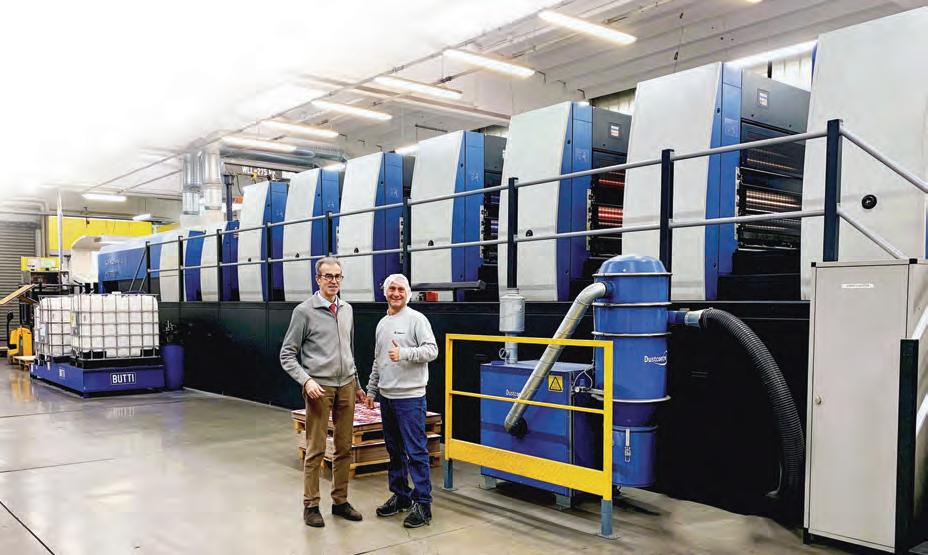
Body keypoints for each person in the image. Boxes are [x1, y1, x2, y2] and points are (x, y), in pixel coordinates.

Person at [280, 256, 367, 528]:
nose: (333, 281)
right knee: (316, 449)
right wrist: (306, 381)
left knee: (344, 447)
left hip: (347, 386)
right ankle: (311, 506)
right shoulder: (304, 312)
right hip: (320, 388)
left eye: (337, 276)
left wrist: (357, 385)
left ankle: (340, 502)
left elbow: (349, 351)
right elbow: (287, 354)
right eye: (328, 276)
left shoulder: (347, 310)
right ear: (317, 279)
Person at [364, 273, 439, 528]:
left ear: (408, 294)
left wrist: (404, 353)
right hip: (387, 397)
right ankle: (401, 496)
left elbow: (432, 350)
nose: (396, 293)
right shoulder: (382, 324)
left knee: (416, 452)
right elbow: (378, 360)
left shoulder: (417, 319)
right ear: (385, 292)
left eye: (401, 289)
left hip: (410, 399)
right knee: (394, 450)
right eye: (392, 289)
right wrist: (371, 390)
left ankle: (423, 504)